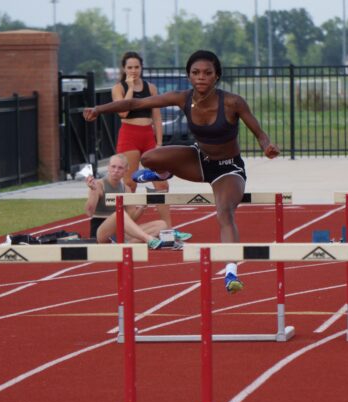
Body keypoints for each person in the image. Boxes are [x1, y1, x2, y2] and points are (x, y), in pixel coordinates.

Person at [84, 50, 280, 294]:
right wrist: (99, 109)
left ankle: (231, 271)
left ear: (216, 76)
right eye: (196, 73)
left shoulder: (233, 102)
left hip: (227, 168)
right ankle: (164, 173)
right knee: (149, 157)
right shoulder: (182, 98)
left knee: (224, 211)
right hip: (198, 160)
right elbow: (136, 104)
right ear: (189, 76)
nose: (201, 77)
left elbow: (259, 132)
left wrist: (267, 146)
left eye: (207, 73)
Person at [112, 51, 173, 228]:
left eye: (136, 67)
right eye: (130, 67)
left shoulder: (151, 88)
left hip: (148, 137)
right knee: (130, 183)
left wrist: (159, 143)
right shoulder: (119, 88)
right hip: (129, 136)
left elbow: (157, 117)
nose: (133, 70)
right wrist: (130, 88)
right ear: (124, 68)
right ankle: (128, 229)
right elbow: (122, 111)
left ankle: (168, 229)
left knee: (161, 183)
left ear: (141, 67)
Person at [85, 154, 190, 248]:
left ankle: (128, 242)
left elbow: (132, 218)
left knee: (162, 224)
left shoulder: (126, 189)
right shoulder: (98, 185)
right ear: (108, 167)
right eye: (113, 166)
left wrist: (143, 205)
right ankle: (149, 239)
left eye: (120, 168)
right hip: (101, 233)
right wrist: (93, 190)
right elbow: (89, 212)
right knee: (119, 214)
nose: (116, 170)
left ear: (126, 170)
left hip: (120, 234)